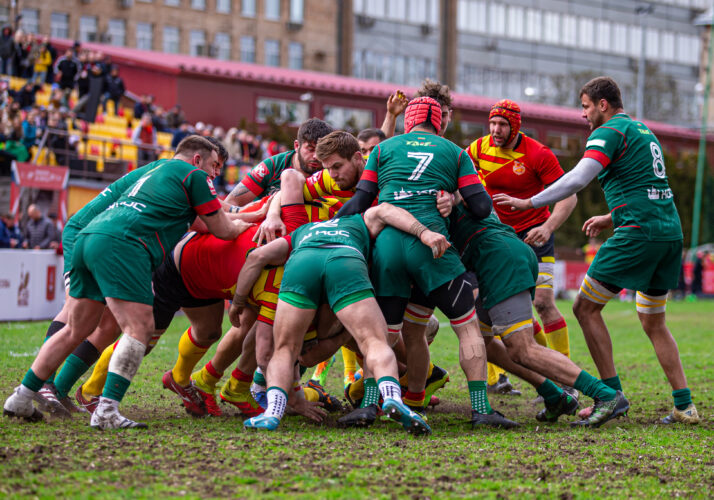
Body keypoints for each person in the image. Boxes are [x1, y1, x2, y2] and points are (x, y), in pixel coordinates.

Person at [3, 136, 249, 429]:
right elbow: (220, 228)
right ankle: (106, 410)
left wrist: (253, 213)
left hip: (90, 235)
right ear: (197, 160)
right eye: (213, 166)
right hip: (123, 243)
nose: (214, 175)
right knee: (139, 327)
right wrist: (249, 223)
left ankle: (22, 396)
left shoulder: (154, 170)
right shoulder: (194, 175)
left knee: (79, 327)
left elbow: (199, 218)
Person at [494, 76, 698, 425]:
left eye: (586, 106)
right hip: (668, 232)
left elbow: (577, 179)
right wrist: (609, 216)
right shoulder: (640, 130)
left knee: (584, 308)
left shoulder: (608, 131)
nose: (583, 114)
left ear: (603, 105)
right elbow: (646, 185)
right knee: (653, 321)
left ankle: (611, 395)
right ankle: (684, 405)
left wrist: (528, 200)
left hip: (638, 234)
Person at [337, 97, 516, 428]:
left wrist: (331, 227)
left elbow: (361, 200)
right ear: (440, 123)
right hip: (434, 247)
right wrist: (451, 194)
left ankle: (369, 405)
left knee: (384, 334)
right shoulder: (455, 153)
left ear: (408, 121)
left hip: (388, 247)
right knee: (467, 328)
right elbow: (480, 208)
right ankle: (480, 408)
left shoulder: (382, 150)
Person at [232, 204, 448, 434]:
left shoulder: (303, 230)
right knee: (374, 341)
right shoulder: (358, 221)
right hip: (345, 258)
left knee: (285, 348)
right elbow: (385, 209)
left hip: (303, 260)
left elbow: (257, 256)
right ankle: (392, 396)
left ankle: (272, 412)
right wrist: (423, 232)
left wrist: (237, 302)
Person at [467, 99, 577, 394]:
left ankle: (565, 376)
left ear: (515, 126)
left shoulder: (538, 154)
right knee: (495, 307)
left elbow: (569, 196)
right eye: (492, 123)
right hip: (496, 240)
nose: (495, 129)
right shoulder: (477, 149)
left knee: (543, 302)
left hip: (534, 236)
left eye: (502, 124)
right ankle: (498, 378)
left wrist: (547, 227)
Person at [225, 118, 334, 207]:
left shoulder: (332, 171)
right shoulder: (273, 165)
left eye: (321, 151)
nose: (316, 156)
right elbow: (231, 202)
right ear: (297, 146)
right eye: (310, 149)